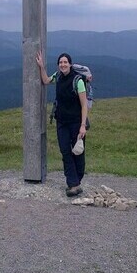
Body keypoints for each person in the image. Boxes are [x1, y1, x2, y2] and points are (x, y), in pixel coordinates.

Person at [36, 50, 88, 197]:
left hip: (76, 123)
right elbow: (46, 80)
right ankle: (73, 184)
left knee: (78, 152)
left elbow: (84, 105)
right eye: (60, 62)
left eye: (65, 62)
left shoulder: (78, 81)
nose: (63, 64)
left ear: (70, 64)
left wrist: (83, 126)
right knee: (65, 152)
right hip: (62, 122)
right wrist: (41, 66)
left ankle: (76, 181)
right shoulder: (57, 76)